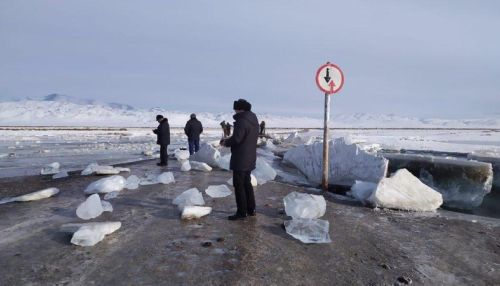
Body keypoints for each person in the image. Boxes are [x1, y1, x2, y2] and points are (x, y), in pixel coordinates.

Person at [220, 99, 259, 220]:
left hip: (241, 157)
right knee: (246, 183)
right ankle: (251, 209)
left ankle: (242, 212)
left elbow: (237, 139)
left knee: (239, 185)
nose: (235, 111)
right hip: (250, 156)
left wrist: (225, 142)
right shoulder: (253, 120)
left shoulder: (242, 121)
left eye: (235, 109)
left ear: (240, 109)